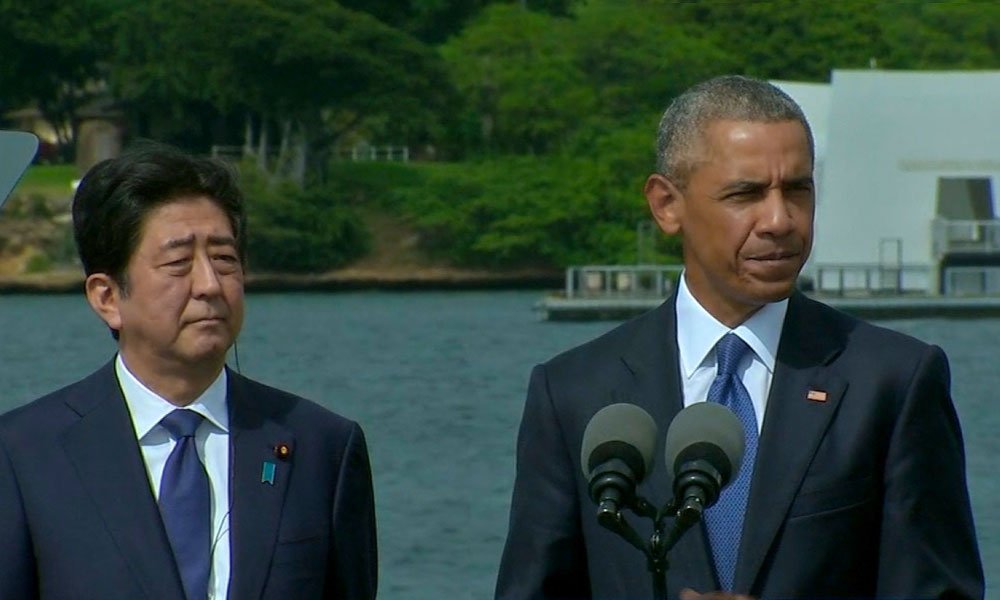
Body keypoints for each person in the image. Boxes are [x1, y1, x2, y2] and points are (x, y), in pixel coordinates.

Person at [495, 75, 984, 600]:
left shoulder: (892, 382)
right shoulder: (572, 393)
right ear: (666, 205)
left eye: (797, 188)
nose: (779, 220)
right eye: (745, 194)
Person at [0, 144, 377, 599]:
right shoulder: (23, 455)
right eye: (178, 263)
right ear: (107, 297)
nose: (209, 285)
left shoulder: (322, 447)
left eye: (224, 260)